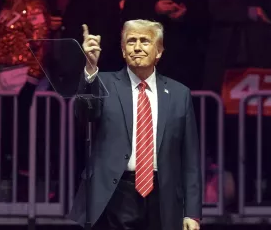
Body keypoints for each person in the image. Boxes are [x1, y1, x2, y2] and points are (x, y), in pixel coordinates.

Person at [68, 19, 202, 230]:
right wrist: (90, 68)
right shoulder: (102, 83)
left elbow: (190, 158)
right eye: (131, 41)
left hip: (163, 196)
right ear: (123, 51)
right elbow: (84, 114)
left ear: (158, 51)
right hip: (117, 193)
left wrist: (193, 213)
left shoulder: (179, 94)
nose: (137, 47)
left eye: (144, 41)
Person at [0, 0, 50, 180]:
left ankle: (25, 178)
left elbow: (41, 43)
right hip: (2, 73)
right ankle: (3, 171)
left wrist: (32, 79)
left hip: (22, 74)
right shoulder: (6, 8)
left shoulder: (34, 8)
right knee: (1, 129)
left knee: (20, 130)